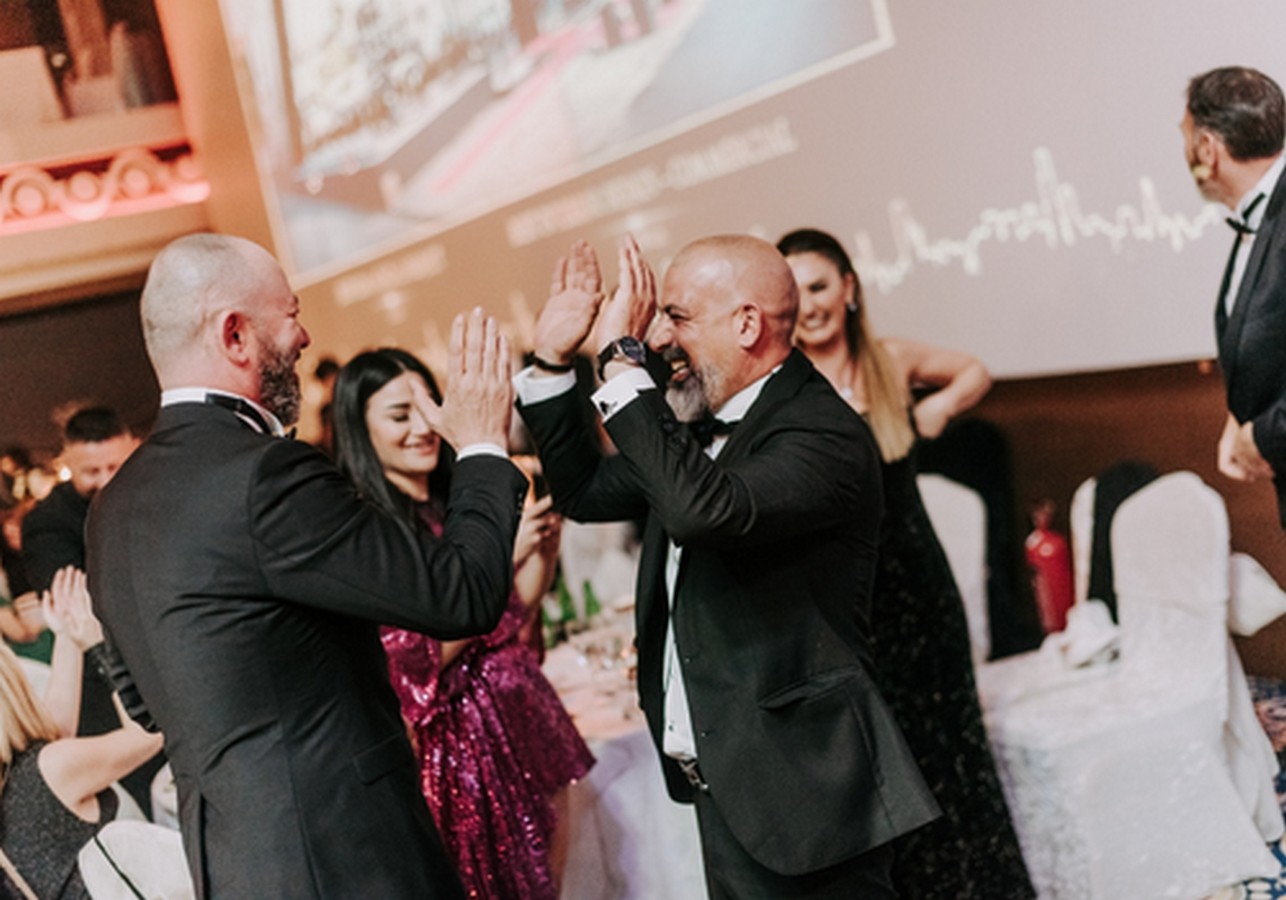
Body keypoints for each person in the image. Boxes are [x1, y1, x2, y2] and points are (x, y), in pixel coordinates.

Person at [85, 233, 528, 899]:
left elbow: (148, 705)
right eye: (290, 314)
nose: (305, 336)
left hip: (236, 872)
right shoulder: (264, 474)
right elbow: (461, 594)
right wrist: (484, 446)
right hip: (347, 859)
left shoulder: (110, 509)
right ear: (235, 335)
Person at [517, 234, 938, 898]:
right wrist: (550, 363)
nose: (660, 338)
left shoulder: (821, 431)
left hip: (808, 791)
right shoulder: (694, 426)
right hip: (728, 781)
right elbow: (585, 492)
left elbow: (704, 513)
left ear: (746, 324)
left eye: (677, 316)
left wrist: (622, 363)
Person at [778, 227, 1033, 899]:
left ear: (849, 288)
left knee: (958, 747)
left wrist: (940, 406)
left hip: (921, 589)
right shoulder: (787, 389)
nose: (810, 305)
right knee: (893, 764)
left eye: (820, 286)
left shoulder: (888, 361)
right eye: (796, 293)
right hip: (850, 607)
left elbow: (974, 370)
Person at [332, 347, 594, 900]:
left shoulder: (457, 503)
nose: (422, 428)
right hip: (463, 746)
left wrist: (542, 549)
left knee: (555, 881)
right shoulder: (372, 534)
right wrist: (488, 572)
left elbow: (513, 616)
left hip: (525, 713)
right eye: (399, 415)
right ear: (360, 429)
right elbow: (410, 658)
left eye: (430, 407)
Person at [0, 566, 163, 900]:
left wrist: (66, 633)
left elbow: (56, 731)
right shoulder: (49, 770)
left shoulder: (22, 780)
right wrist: (96, 645)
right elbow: (149, 733)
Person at [1182, 66, 1286, 529]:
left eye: (1185, 137)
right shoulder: (1262, 217)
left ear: (1208, 149)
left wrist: (1263, 436)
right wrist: (1239, 415)